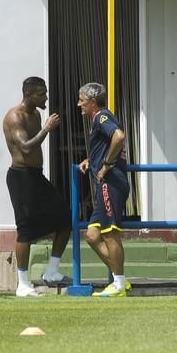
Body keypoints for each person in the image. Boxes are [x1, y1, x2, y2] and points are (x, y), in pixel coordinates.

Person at [3, 76, 72, 297]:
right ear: (29, 95)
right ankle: (22, 284)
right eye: (42, 94)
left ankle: (52, 271)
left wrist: (43, 127)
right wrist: (46, 129)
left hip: (36, 176)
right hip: (20, 177)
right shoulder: (15, 116)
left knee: (65, 218)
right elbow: (24, 148)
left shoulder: (36, 114)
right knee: (25, 229)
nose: (46, 97)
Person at [77, 82, 130, 297]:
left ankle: (118, 285)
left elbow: (119, 136)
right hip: (105, 184)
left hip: (112, 182)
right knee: (92, 235)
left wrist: (106, 165)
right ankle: (120, 280)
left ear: (92, 101)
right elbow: (108, 143)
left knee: (109, 233)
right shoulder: (97, 120)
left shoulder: (102, 116)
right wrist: (92, 159)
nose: (79, 103)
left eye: (81, 99)